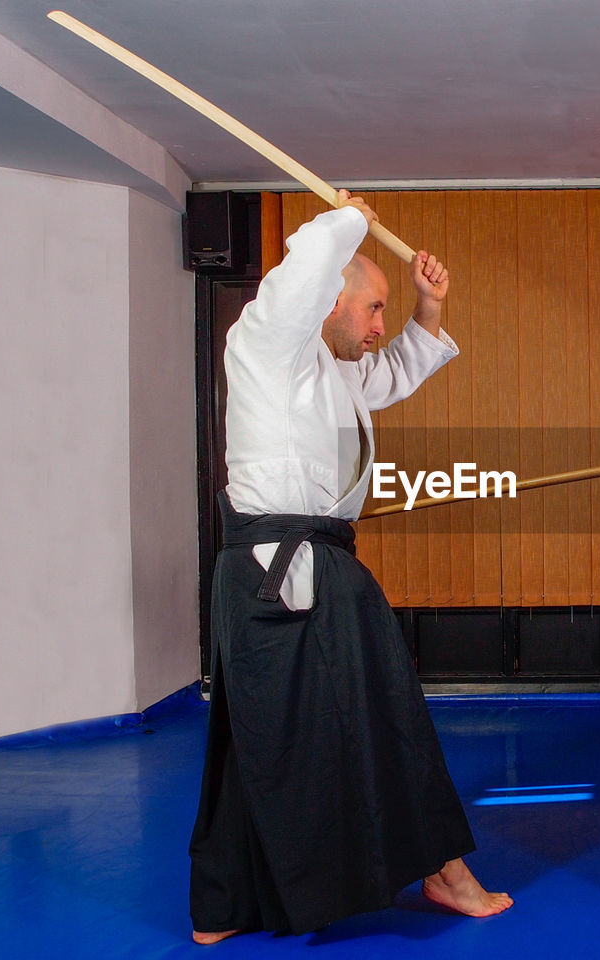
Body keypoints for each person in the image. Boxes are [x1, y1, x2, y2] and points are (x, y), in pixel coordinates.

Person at [188, 191, 511, 943]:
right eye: (372, 308)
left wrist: (427, 309)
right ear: (329, 294)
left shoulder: (333, 376)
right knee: (339, 722)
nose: (377, 327)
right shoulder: (266, 344)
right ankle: (430, 870)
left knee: (287, 729)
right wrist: (348, 221)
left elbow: (396, 369)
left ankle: (231, 898)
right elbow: (302, 276)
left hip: (317, 567)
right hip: (275, 567)